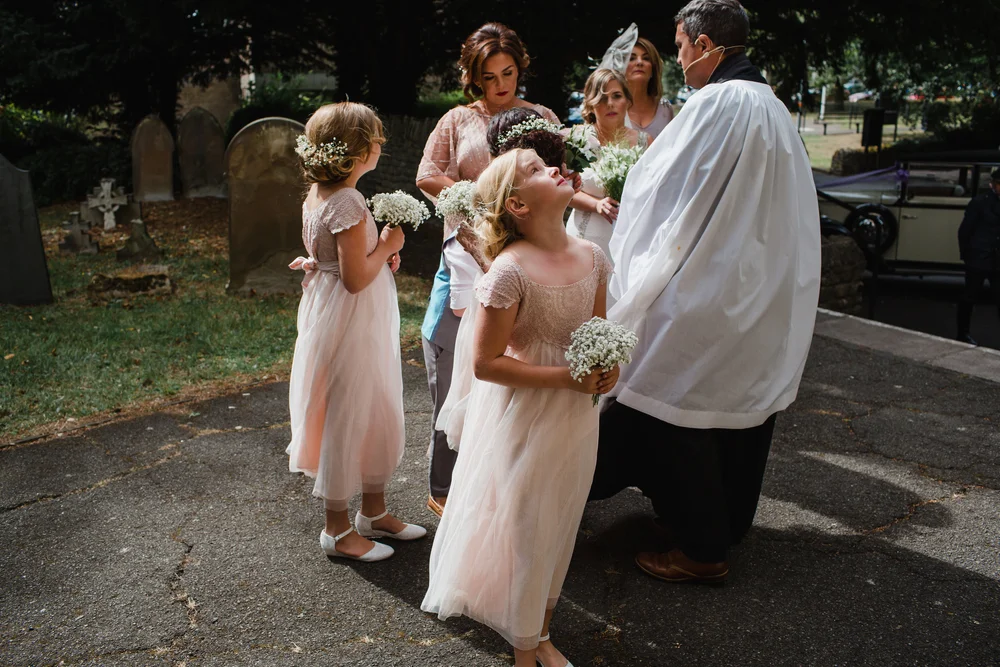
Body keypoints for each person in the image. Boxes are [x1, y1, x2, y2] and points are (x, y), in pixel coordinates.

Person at [588, 0, 821, 583]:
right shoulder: (771, 107)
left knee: (676, 408)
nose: (681, 59)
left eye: (683, 45)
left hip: (706, 286)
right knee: (735, 414)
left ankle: (700, 550)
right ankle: (719, 523)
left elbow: (662, 189)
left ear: (705, 43)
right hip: (756, 287)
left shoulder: (715, 104)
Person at [421, 149, 617, 667]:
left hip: (576, 416)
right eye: (534, 170)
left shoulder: (594, 258)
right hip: (524, 415)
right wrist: (566, 378)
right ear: (518, 206)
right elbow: (486, 364)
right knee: (528, 523)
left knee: (562, 515)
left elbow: (597, 335)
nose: (552, 168)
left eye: (545, 164)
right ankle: (524, 649)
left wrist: (606, 369)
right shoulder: (509, 272)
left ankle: (541, 630)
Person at [416, 22, 561, 518]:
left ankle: (509, 480)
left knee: (516, 369)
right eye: (490, 75)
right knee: (453, 363)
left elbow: (560, 169)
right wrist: (472, 198)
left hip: (525, 259)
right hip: (468, 252)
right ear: (474, 77)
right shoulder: (457, 120)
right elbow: (426, 175)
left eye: (509, 72)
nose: (502, 84)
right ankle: (445, 487)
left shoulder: (540, 116)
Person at [286, 102, 426, 563]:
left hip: (338, 312)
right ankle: (337, 529)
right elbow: (353, 278)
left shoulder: (319, 192)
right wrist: (388, 243)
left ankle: (374, 511)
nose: (382, 145)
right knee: (348, 409)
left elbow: (339, 259)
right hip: (350, 319)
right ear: (361, 148)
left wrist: (375, 253)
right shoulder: (347, 200)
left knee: (374, 403)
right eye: (377, 138)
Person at [565, 68, 648, 260]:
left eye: (616, 96)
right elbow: (563, 189)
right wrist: (597, 204)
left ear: (627, 101)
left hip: (630, 238)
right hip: (584, 237)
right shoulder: (575, 140)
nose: (610, 104)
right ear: (591, 104)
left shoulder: (645, 142)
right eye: (602, 98)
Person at [956, 168, 1000, 345]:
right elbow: (965, 231)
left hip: (998, 261)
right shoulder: (980, 202)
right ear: (994, 185)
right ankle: (962, 333)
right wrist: (967, 255)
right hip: (979, 257)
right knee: (969, 297)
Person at [623, 37, 675, 141]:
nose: (639, 62)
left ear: (653, 69)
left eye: (646, 58)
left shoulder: (665, 109)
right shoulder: (613, 108)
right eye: (632, 58)